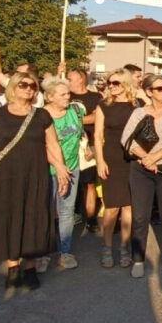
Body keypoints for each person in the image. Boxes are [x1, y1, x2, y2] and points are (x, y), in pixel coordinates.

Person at [0, 71, 70, 290]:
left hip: (36, 175)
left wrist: (61, 168)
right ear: (13, 87)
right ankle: (13, 266)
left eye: (33, 86)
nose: (28, 89)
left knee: (33, 218)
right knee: (8, 217)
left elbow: (51, 145)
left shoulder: (42, 116)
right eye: (23, 85)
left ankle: (30, 267)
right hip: (4, 176)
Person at [121, 76, 162, 278]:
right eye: (159, 88)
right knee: (140, 216)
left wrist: (155, 157)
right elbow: (126, 139)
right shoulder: (138, 113)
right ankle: (138, 258)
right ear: (148, 92)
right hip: (141, 169)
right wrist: (145, 159)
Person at [37, 78, 85, 273]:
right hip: (48, 170)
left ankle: (64, 252)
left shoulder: (75, 111)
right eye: (63, 94)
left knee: (66, 211)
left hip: (72, 167)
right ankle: (42, 253)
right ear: (49, 97)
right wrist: (59, 167)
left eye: (68, 93)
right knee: (46, 211)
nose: (68, 97)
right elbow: (42, 145)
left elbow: (79, 132)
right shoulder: (41, 116)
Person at [94, 70, 135, 268]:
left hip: (132, 161)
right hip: (110, 159)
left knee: (128, 206)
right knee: (111, 208)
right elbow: (97, 134)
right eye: (109, 83)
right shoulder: (103, 105)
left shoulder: (137, 105)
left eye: (116, 83)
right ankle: (107, 247)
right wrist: (100, 161)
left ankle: (125, 247)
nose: (111, 86)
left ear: (126, 84)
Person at [67, 69, 102, 233]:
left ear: (81, 79)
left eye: (70, 78)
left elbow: (97, 118)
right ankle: (71, 214)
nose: (67, 81)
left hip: (89, 144)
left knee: (89, 184)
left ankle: (91, 218)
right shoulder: (65, 95)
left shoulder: (95, 98)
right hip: (68, 145)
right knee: (69, 181)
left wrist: (73, 120)